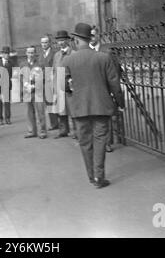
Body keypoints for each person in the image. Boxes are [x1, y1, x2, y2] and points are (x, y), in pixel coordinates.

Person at [61, 23, 124, 189]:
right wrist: (120, 103)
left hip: (79, 108)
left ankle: (91, 176)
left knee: (85, 142)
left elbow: (62, 86)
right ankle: (99, 176)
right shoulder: (103, 58)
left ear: (75, 39)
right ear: (89, 38)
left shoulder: (67, 60)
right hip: (101, 106)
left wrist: (71, 88)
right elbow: (115, 85)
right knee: (100, 141)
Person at [52, 30, 77, 139]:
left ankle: (76, 132)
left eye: (62, 40)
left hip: (69, 87)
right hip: (59, 86)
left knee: (72, 110)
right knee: (61, 110)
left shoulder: (73, 54)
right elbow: (54, 70)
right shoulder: (57, 55)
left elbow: (76, 71)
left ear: (67, 40)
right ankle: (63, 130)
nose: (61, 43)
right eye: (59, 41)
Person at [21, 46, 47, 139]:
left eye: (32, 53)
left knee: (40, 111)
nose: (31, 55)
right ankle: (31, 131)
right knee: (29, 112)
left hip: (38, 91)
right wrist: (25, 85)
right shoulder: (22, 64)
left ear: (35, 54)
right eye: (29, 53)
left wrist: (35, 86)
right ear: (26, 53)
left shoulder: (40, 64)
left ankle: (42, 131)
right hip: (27, 92)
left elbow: (43, 77)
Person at [38, 35, 58, 131]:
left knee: (56, 102)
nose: (44, 44)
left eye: (46, 42)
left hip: (53, 80)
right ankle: (54, 123)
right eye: (42, 42)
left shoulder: (54, 53)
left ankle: (60, 123)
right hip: (44, 82)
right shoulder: (40, 55)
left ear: (49, 43)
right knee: (49, 103)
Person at [0, 46, 14, 125]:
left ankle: (7, 118)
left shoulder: (11, 63)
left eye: (8, 54)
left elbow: (11, 74)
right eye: (5, 53)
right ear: (2, 54)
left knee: (7, 102)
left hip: (7, 84)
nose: (7, 55)